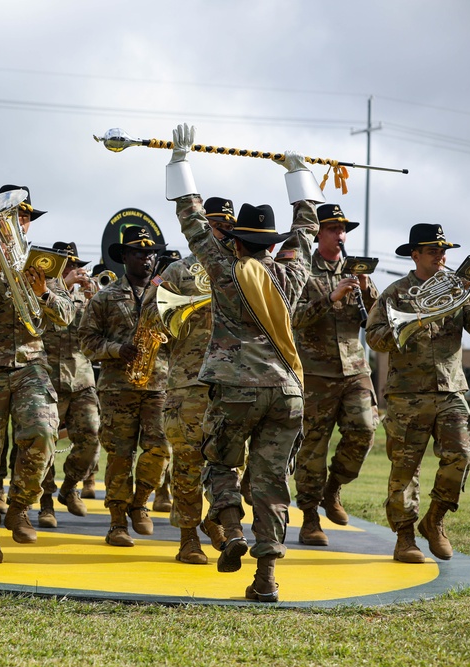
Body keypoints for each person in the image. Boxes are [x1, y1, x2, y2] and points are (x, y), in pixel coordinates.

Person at [164, 123, 322, 602]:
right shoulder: (292, 272)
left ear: (235, 240)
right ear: (271, 244)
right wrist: (300, 177)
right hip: (287, 391)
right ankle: (267, 578)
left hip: (234, 388)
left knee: (219, 465)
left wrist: (180, 160)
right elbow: (307, 231)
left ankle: (231, 531)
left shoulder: (223, 268)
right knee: (272, 483)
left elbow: (192, 220)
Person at [0, 185, 75, 563]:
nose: (19, 222)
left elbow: (67, 316)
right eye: (13, 216)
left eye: (23, 217)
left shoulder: (41, 263)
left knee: (43, 433)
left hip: (30, 364)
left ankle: (20, 505)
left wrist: (44, 294)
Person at [365, 223, 470, 563]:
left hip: (451, 386)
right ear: (415, 254)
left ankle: (434, 520)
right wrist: (411, 323)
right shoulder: (394, 293)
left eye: (443, 250)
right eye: (433, 250)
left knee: (462, 455)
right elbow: (374, 338)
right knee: (405, 469)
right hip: (407, 393)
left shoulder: (457, 288)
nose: (441, 256)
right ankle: (405, 536)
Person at [291, 204, 379, 547]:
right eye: (333, 229)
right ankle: (310, 517)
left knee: (365, 430)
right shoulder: (301, 268)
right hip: (314, 372)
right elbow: (293, 318)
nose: (340, 235)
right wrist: (330, 297)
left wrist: (367, 290)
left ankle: (333, 489)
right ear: (318, 234)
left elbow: (374, 321)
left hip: (355, 369)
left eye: (343, 230)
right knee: (312, 447)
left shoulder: (355, 269)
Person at [153, 197, 234, 563]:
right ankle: (188, 536)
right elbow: (153, 325)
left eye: (229, 227)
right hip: (188, 383)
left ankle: (216, 520)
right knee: (187, 463)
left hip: (232, 383)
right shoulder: (177, 273)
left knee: (230, 462)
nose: (223, 233)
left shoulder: (240, 269)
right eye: (217, 226)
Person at [79, 225, 171, 547]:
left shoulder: (166, 297)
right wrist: (117, 349)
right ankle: (117, 522)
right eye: (138, 253)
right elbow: (87, 341)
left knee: (160, 448)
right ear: (125, 257)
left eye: (150, 253)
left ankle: (141, 501)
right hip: (118, 387)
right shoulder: (104, 297)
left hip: (159, 385)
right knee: (119, 454)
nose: (146, 259)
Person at [38, 241, 102, 528]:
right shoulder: (40, 294)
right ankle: (45, 504)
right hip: (47, 378)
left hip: (81, 378)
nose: (75, 270)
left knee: (91, 436)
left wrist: (96, 298)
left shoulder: (86, 299)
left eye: (76, 265)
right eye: (67, 266)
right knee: (45, 444)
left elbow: (97, 332)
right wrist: (62, 286)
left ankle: (69, 487)